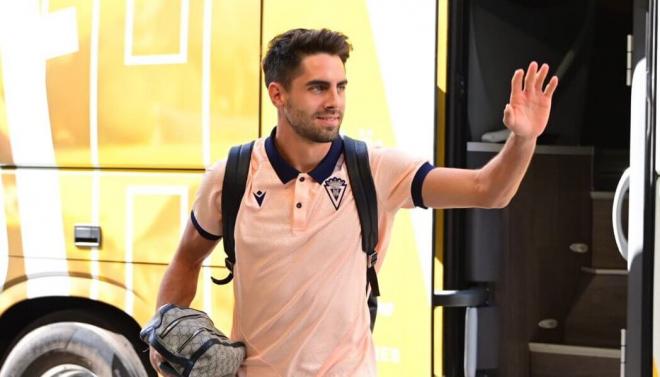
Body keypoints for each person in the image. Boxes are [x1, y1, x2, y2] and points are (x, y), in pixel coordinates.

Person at [149, 28, 558, 376]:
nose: (334, 101)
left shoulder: (376, 169)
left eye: (340, 87)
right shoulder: (232, 176)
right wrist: (161, 332)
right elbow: (187, 259)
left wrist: (523, 138)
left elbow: (489, 191)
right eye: (318, 88)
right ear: (278, 94)